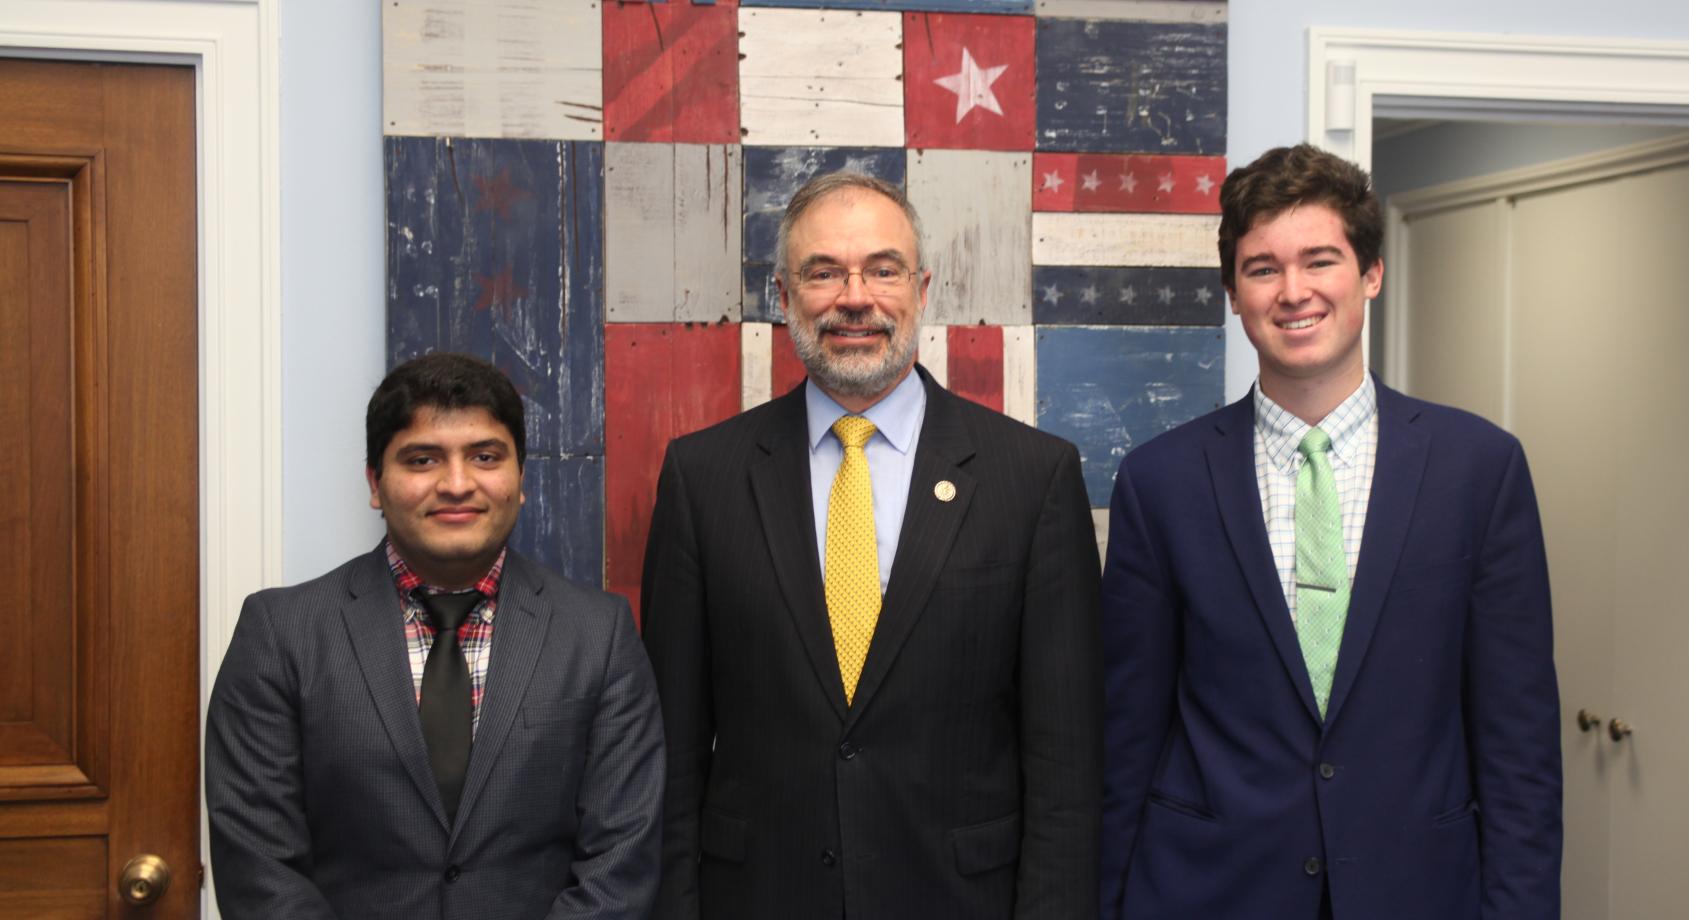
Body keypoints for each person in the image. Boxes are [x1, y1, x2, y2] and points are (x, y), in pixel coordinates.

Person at [1099, 144, 1562, 919]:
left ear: (1371, 273)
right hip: (1208, 892)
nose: (1294, 292)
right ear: (1233, 292)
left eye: (1320, 260)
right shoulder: (1160, 482)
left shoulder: (1480, 470)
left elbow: (1520, 746)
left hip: (1416, 892)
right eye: (1263, 268)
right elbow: (1126, 736)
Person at [641, 172, 1102, 919]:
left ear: (922, 290)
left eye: (883, 270)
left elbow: (1066, 766)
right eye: (823, 272)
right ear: (783, 296)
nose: (855, 298)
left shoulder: (1032, 477)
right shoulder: (703, 477)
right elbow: (671, 751)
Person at [206, 352, 664, 919]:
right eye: (422, 459)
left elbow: (620, 860)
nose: (456, 484)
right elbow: (259, 864)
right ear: (375, 482)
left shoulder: (599, 634)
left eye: (485, 457)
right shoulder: (281, 633)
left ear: (520, 479)